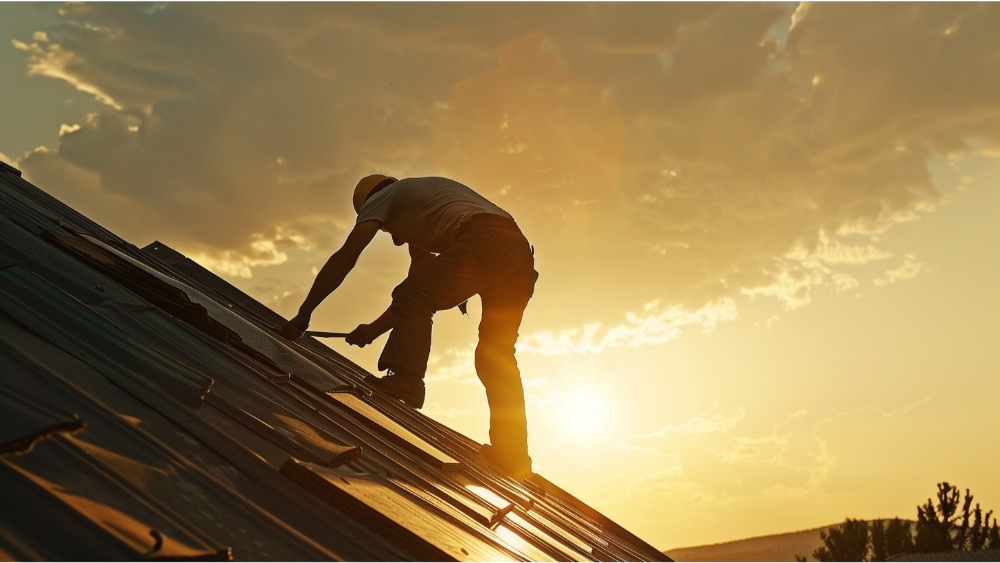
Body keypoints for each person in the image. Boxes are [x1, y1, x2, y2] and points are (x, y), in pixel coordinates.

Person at [281, 175, 538, 478]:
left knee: (413, 295)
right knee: (495, 354)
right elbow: (417, 291)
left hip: (486, 240)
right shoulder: (423, 204)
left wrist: (304, 312)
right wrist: (374, 329)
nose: (389, 235)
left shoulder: (382, 197)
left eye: (384, 227)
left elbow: (347, 257)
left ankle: (407, 380)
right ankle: (513, 455)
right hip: (516, 251)